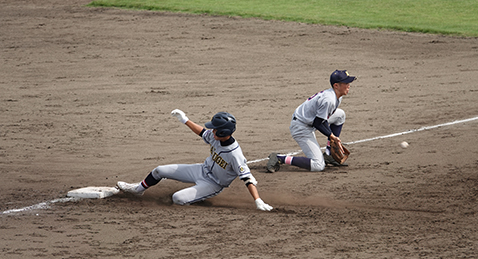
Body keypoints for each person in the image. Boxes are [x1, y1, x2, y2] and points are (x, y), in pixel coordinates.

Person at [117, 109, 273, 211]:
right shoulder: (215, 137)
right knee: (159, 170)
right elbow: (202, 132)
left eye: (215, 128)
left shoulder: (235, 154)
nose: (212, 131)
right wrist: (185, 120)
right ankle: (138, 190)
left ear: (224, 131)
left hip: (213, 184)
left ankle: (198, 198)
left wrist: (258, 200)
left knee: (177, 198)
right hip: (200, 170)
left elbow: (247, 179)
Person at [267, 69, 357, 173]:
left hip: (310, 121)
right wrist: (332, 136)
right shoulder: (329, 100)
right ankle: (279, 158)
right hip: (301, 127)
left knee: (340, 115)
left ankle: (329, 155)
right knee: (318, 165)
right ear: (336, 85)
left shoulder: (336, 96)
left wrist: (331, 136)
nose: (349, 85)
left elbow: (322, 120)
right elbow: (318, 123)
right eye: (346, 83)